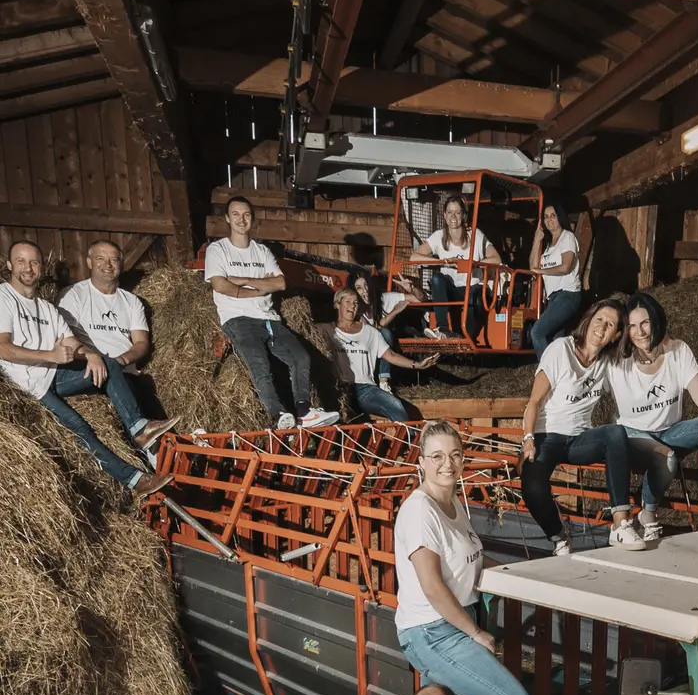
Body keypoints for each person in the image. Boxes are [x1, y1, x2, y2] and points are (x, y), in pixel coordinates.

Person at [394, 419, 531, 695]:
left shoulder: (453, 504)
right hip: (432, 631)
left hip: (454, 623)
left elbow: (470, 562)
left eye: (454, 455)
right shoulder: (419, 512)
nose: (447, 463)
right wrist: (475, 632)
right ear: (421, 462)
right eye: (436, 456)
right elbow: (434, 586)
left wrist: (517, 574)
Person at [0, 240, 172, 495]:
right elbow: (2, 347)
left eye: (34, 262)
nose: (29, 268)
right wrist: (49, 354)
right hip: (26, 384)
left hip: (51, 374)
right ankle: (135, 480)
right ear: (9, 265)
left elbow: (70, 340)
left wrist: (90, 354)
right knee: (80, 428)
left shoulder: (46, 307)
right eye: (22, 261)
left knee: (108, 363)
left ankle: (139, 429)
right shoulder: (4, 298)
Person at [521, 298, 646, 554]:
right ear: (588, 320)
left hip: (579, 440)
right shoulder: (559, 350)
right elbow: (533, 401)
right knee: (532, 486)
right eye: (599, 319)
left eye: (610, 324)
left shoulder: (607, 364)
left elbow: (633, 389)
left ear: (615, 335)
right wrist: (529, 438)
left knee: (615, 432)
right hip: (547, 435)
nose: (601, 327)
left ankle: (621, 524)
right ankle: (559, 536)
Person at [204, 194, 338, 432]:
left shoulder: (262, 251)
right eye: (235, 214)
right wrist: (257, 288)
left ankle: (304, 412)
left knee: (301, 358)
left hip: (270, 319)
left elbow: (280, 284)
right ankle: (278, 414)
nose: (241, 219)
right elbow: (220, 285)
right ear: (227, 218)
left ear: (252, 219)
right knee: (260, 365)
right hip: (239, 319)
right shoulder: (218, 250)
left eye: (246, 214)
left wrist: (242, 280)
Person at [606, 291, 698, 542]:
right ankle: (647, 515)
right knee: (667, 458)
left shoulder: (677, 351)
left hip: (670, 432)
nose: (640, 332)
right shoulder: (617, 361)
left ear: (656, 320)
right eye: (632, 326)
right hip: (634, 437)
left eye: (645, 323)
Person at [329, 286, 438, 423]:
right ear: (337, 304)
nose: (352, 306)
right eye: (348, 302)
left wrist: (417, 365)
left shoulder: (369, 331)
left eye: (356, 303)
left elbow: (391, 355)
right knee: (342, 417)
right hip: (341, 388)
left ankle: (409, 441)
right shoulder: (328, 331)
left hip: (366, 389)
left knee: (396, 406)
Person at [408, 194, 501, 342]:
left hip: (472, 286)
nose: (453, 216)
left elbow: (496, 259)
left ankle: (467, 336)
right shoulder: (439, 236)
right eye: (450, 212)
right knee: (437, 279)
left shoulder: (475, 235)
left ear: (463, 215)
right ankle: (442, 328)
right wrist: (442, 261)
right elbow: (414, 257)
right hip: (452, 289)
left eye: (457, 212)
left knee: (474, 296)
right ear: (444, 215)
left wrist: (474, 264)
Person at [58, 240, 152, 377]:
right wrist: (94, 358)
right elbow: (66, 337)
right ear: (89, 263)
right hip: (91, 369)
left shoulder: (132, 301)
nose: (108, 265)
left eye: (113, 260)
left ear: (121, 264)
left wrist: (121, 360)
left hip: (125, 371)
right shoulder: (73, 295)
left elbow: (141, 342)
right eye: (100, 259)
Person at [529, 202, 582, 360]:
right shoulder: (546, 246)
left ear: (560, 217)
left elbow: (565, 267)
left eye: (553, 216)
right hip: (553, 298)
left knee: (537, 332)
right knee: (556, 342)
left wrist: (541, 271)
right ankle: (562, 376)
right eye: (545, 217)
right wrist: (536, 240)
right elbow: (532, 266)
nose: (549, 220)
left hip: (568, 294)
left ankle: (546, 373)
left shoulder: (568, 237)